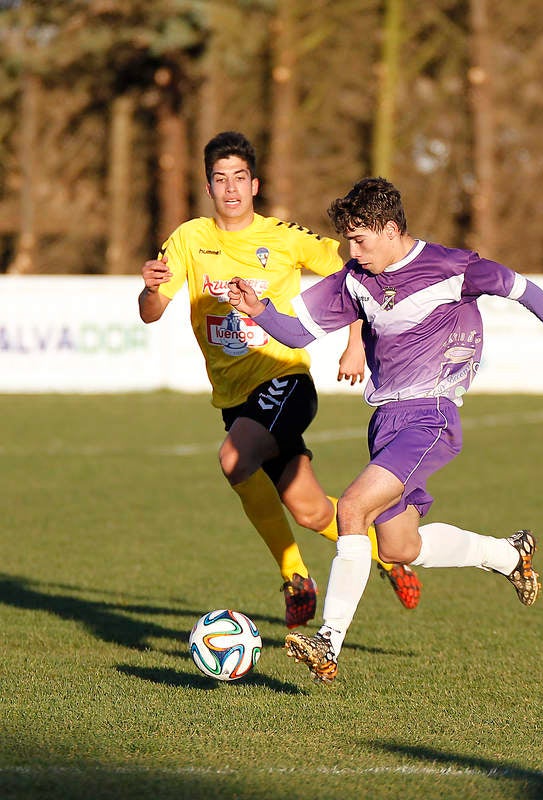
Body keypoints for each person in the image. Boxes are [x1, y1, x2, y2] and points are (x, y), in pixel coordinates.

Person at [228, 176, 543, 683]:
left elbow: (526, 290)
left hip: (429, 416)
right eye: (348, 238)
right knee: (398, 547)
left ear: (391, 230)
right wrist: (257, 309)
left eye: (360, 238)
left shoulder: (452, 267)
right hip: (385, 420)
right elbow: (298, 331)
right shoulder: (354, 280)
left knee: (351, 508)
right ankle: (508, 554)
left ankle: (328, 641)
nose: (352, 249)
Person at [138, 138, 422, 630]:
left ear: (255, 185)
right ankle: (387, 552)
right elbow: (151, 312)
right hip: (234, 398)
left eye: (239, 177)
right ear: (208, 186)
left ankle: (294, 576)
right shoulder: (188, 238)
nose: (231, 188)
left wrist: (355, 341)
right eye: (220, 179)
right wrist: (147, 287)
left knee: (233, 458)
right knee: (311, 512)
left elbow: (354, 273)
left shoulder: (286, 237)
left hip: (284, 379)